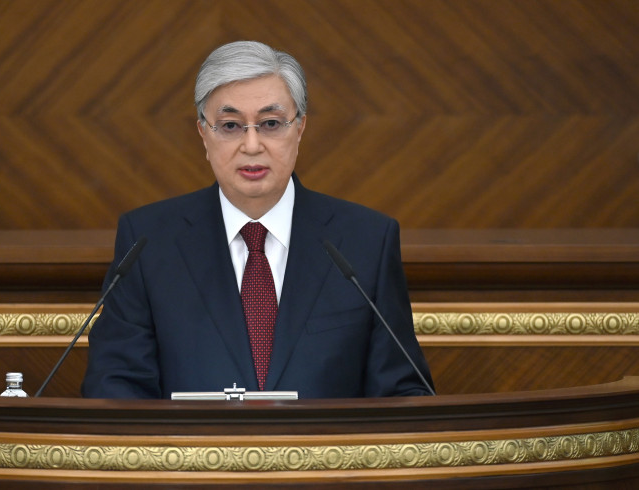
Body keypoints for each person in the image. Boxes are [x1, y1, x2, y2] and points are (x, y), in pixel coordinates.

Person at [81, 41, 434, 399]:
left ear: (300, 128)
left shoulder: (366, 241)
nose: (251, 145)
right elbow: (115, 387)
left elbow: (402, 391)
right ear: (203, 133)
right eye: (230, 125)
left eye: (270, 124)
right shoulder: (148, 243)